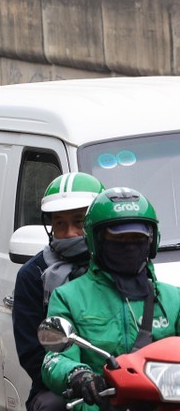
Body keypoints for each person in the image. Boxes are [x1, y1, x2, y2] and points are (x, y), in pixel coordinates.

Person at [42, 187, 180, 411]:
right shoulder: (68, 297)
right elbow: (54, 360)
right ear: (96, 241)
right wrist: (79, 375)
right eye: (119, 238)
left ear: (152, 241)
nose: (129, 244)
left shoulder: (174, 299)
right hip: (99, 405)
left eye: (137, 237)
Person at [13, 173, 105, 411]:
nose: (71, 233)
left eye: (79, 221)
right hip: (62, 384)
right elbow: (33, 354)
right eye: (60, 223)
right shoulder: (33, 275)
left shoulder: (120, 264)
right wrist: (75, 376)